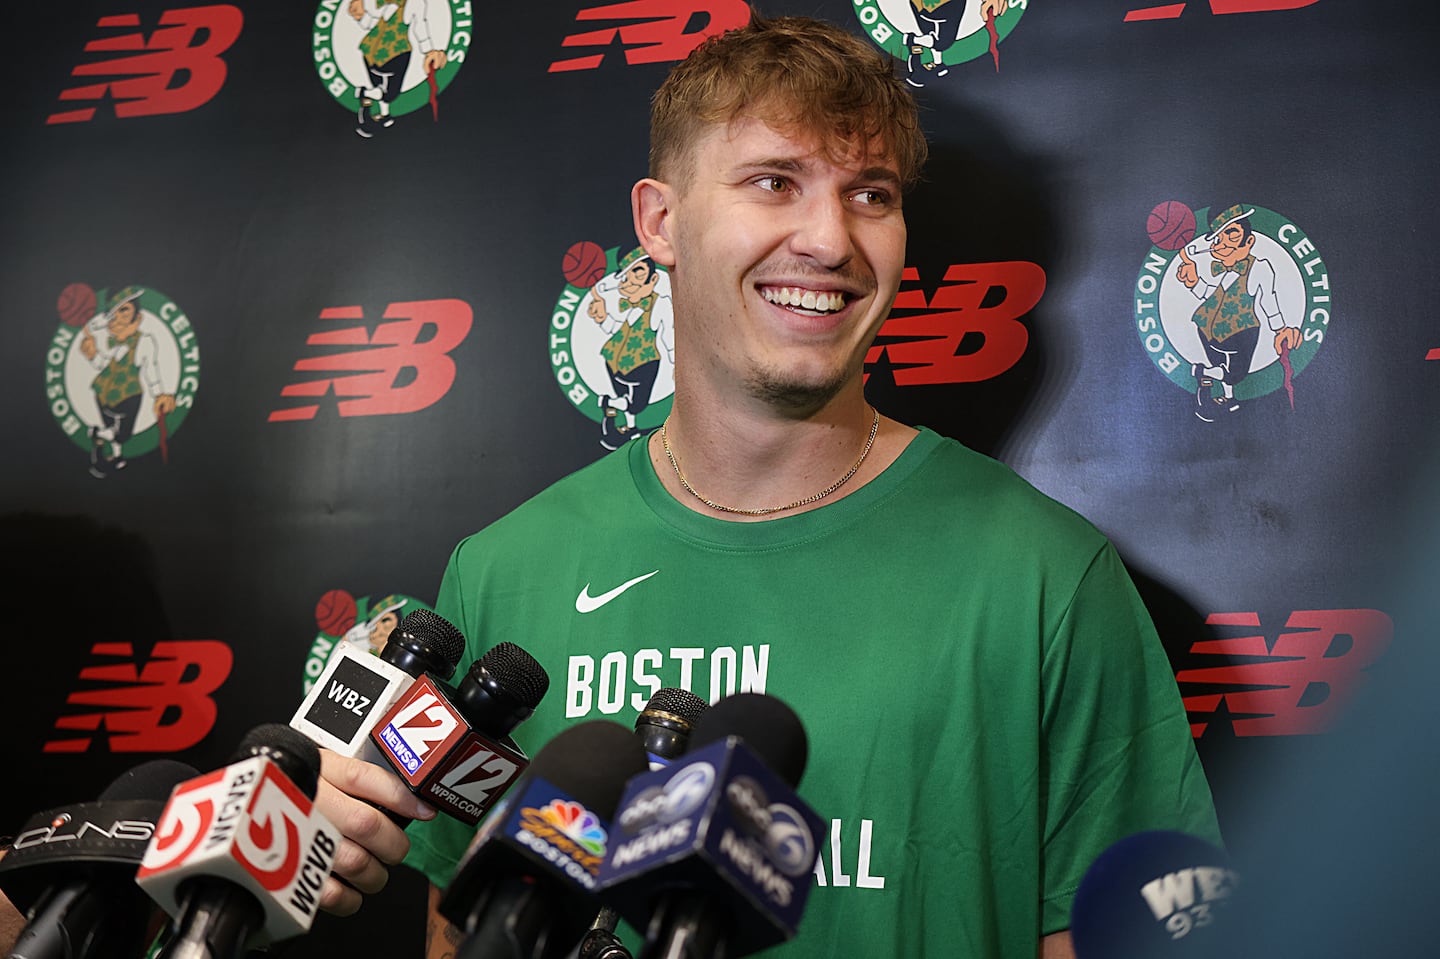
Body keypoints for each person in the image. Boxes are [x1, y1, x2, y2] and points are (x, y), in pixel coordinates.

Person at [395, 13, 1220, 959]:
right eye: (774, 182)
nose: (829, 240)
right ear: (660, 221)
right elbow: (456, 938)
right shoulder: (503, 572)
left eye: (870, 194)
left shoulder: (1047, 578)